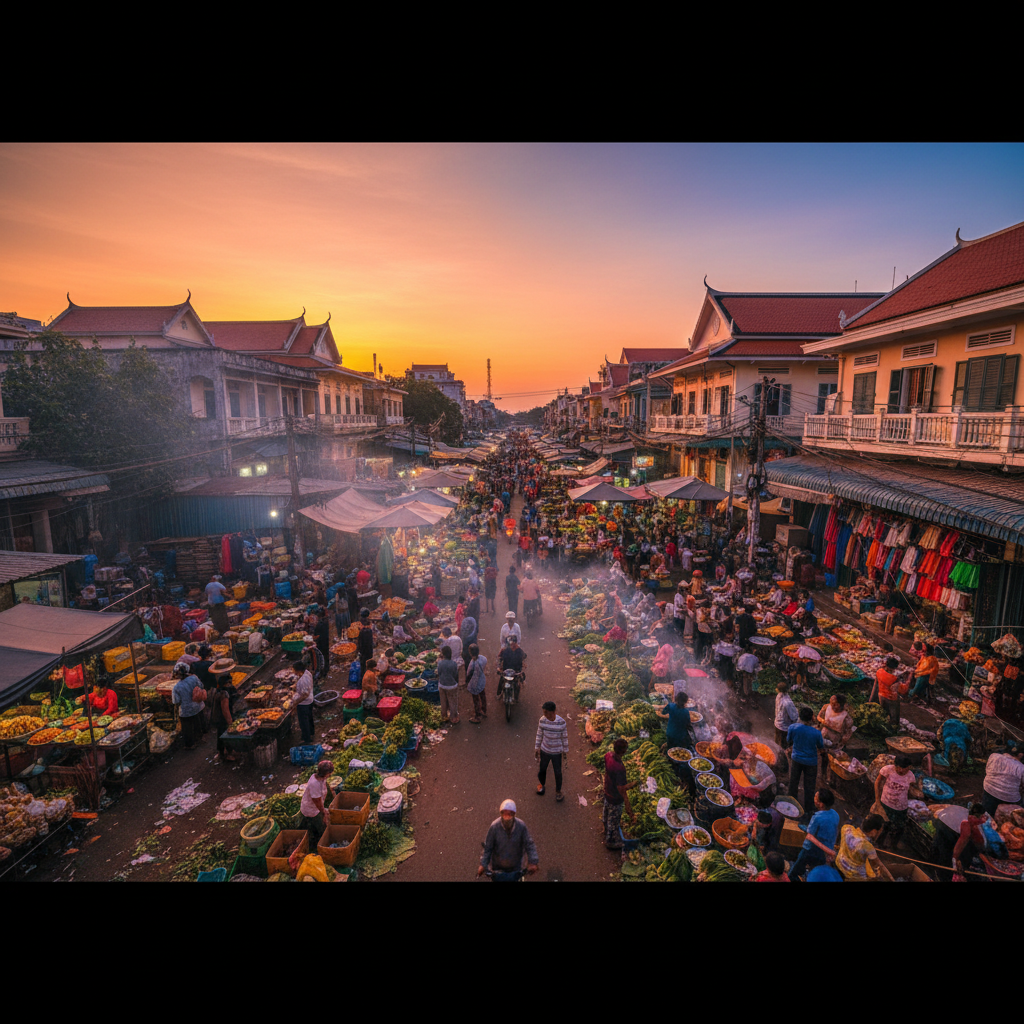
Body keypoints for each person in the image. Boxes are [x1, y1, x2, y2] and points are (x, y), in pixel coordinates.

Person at [478, 799, 539, 881]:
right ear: (501, 813)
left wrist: (533, 861)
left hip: (516, 866)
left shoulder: (521, 826)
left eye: (510, 814)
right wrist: (483, 864)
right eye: (505, 813)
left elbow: (529, 844)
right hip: (498, 868)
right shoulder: (494, 827)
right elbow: (488, 847)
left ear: (514, 814)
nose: (507, 817)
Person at [788, 788, 840, 882]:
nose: (814, 798)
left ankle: (793, 877)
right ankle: (806, 874)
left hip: (811, 848)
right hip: (825, 850)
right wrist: (830, 848)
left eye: (816, 797)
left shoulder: (817, 817)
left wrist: (829, 851)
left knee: (797, 867)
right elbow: (835, 831)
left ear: (821, 804)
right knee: (816, 867)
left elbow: (810, 836)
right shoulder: (835, 814)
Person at [787, 706, 824, 820]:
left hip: (796, 759)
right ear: (812, 718)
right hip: (811, 762)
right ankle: (808, 809)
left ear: (800, 716)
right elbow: (820, 746)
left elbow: (789, 740)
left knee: (793, 781)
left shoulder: (793, 727)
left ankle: (791, 803)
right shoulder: (816, 733)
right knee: (809, 785)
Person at [874, 755, 916, 849]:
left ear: (909, 767)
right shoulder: (887, 770)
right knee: (884, 825)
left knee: (899, 827)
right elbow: (877, 782)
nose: (901, 770)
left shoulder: (911, 776)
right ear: (895, 765)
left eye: (904, 768)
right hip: (886, 803)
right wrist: (877, 800)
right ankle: (879, 844)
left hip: (901, 807)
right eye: (899, 767)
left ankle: (893, 845)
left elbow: (911, 790)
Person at [835, 814, 893, 882]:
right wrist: (892, 879)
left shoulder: (847, 828)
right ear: (873, 831)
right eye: (880, 830)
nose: (880, 833)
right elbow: (880, 866)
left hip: (839, 864)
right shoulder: (868, 846)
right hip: (853, 877)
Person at [602, 738, 636, 850]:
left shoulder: (608, 755)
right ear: (624, 751)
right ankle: (610, 842)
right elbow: (621, 789)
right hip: (615, 797)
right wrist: (632, 784)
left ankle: (605, 829)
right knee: (613, 819)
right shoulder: (619, 769)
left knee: (606, 813)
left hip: (607, 790)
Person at [535, 701, 569, 800]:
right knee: (542, 769)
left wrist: (565, 751)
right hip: (544, 750)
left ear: (554, 712)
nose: (545, 715)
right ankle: (541, 784)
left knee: (558, 772)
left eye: (547, 713)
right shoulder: (542, 720)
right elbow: (539, 734)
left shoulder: (561, 722)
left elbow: (564, 737)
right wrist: (537, 747)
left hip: (557, 752)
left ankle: (558, 791)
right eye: (544, 713)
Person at [299, 760, 334, 849]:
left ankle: (315, 834)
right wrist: (323, 813)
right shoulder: (314, 784)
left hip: (317, 806)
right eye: (329, 773)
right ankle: (320, 844)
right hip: (311, 809)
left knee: (319, 823)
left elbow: (325, 784)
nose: (330, 775)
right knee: (321, 825)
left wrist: (333, 792)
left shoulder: (320, 777)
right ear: (326, 773)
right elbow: (317, 802)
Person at [171, 661, 206, 750]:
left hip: (186, 711)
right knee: (198, 723)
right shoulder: (194, 678)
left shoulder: (176, 687)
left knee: (187, 728)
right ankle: (200, 739)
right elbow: (201, 686)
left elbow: (176, 701)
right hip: (198, 706)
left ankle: (190, 745)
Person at [980, 749, 1024, 816]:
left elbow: (987, 770)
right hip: (1010, 798)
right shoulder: (1021, 767)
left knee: (987, 814)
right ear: (1020, 755)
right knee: (1017, 813)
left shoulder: (993, 756)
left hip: (989, 789)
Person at [870, 656, 909, 726]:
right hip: (891, 699)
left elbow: (875, 686)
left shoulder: (879, 671)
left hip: (881, 696)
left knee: (884, 712)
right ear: (895, 668)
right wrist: (908, 680)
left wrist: (870, 700)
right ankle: (893, 728)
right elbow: (903, 691)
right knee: (893, 716)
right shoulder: (894, 678)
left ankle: (882, 724)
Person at [211, 671, 239, 762]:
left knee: (220, 734)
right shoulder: (224, 694)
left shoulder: (217, 690)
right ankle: (228, 754)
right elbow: (225, 710)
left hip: (217, 717)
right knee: (227, 734)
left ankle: (221, 753)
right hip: (222, 718)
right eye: (229, 683)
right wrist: (230, 722)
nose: (230, 685)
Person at [953, 803, 988, 877]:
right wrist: (955, 860)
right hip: (965, 847)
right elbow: (960, 844)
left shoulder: (974, 822)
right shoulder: (966, 826)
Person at [291, 654, 315, 744]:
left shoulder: (303, 680)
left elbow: (305, 694)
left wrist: (296, 702)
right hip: (310, 700)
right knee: (309, 718)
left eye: (293, 669)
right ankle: (311, 733)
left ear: (297, 670)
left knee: (304, 722)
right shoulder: (307, 673)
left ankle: (306, 739)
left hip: (304, 703)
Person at [437, 645, 461, 725]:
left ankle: (444, 716)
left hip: (442, 685)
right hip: (452, 686)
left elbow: (439, 674)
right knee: (453, 702)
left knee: (443, 701)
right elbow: (455, 675)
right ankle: (453, 718)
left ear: (443, 654)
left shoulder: (440, 663)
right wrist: (456, 683)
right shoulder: (454, 664)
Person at [497, 634, 525, 701]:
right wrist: (498, 667)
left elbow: (524, 658)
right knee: (501, 681)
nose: (512, 645)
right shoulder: (504, 650)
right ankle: (499, 693)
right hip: (506, 670)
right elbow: (499, 659)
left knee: (518, 683)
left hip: (516, 671)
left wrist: (521, 670)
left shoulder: (520, 651)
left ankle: (516, 697)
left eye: (513, 643)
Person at [774, 680, 799, 746]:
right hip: (784, 727)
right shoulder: (787, 702)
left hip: (777, 723)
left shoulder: (778, 696)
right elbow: (794, 717)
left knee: (777, 742)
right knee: (783, 744)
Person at [467, 643, 488, 723]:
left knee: (476, 699)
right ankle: (484, 710)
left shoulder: (472, 663)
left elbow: (468, 674)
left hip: (474, 683)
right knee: (482, 695)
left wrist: (467, 683)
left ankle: (477, 716)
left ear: (470, 653)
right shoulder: (483, 658)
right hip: (481, 680)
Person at [356, 608, 374, 681]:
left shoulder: (362, 631)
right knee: (368, 662)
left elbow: (360, 643)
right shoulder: (369, 628)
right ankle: (369, 677)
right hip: (369, 649)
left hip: (363, 650)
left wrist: (358, 650)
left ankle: (363, 679)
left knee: (363, 664)